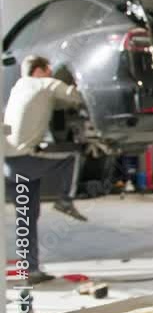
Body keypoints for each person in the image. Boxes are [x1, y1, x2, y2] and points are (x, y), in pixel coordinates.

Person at [4, 55, 88, 285]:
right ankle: (65, 200)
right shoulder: (44, 83)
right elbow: (77, 97)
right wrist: (80, 86)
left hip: (9, 164)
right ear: (41, 70)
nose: (51, 75)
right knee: (72, 157)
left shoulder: (18, 87)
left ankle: (31, 270)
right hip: (25, 160)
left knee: (27, 218)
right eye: (49, 71)